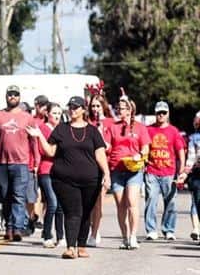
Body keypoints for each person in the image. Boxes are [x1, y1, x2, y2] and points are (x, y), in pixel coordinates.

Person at [27, 96, 111, 260]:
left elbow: (100, 154)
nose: (72, 109)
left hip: (91, 180)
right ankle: (71, 247)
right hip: (65, 180)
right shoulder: (61, 129)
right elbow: (50, 152)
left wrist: (106, 174)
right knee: (73, 212)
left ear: (83, 110)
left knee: (85, 213)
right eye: (71, 107)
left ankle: (81, 246)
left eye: (76, 107)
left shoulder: (92, 131)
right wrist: (39, 136)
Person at [0, 84, 38, 241]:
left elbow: (34, 140)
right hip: (2, 162)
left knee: (19, 196)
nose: (12, 97)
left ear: (19, 97)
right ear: (6, 96)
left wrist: (35, 161)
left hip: (21, 163)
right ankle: (8, 226)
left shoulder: (27, 117)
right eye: (10, 94)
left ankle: (18, 228)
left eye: (15, 94)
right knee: (5, 195)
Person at [107, 96, 151, 250]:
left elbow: (146, 147)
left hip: (134, 169)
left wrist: (140, 154)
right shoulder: (113, 127)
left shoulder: (140, 127)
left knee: (132, 202)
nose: (120, 111)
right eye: (119, 108)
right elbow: (107, 145)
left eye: (123, 108)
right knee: (121, 205)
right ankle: (125, 236)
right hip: (116, 169)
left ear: (131, 109)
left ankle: (133, 236)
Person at [144, 101, 185, 241]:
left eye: (163, 113)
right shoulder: (148, 129)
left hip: (169, 172)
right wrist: (143, 162)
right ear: (155, 114)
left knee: (171, 201)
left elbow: (180, 151)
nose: (161, 115)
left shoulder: (173, 131)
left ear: (168, 114)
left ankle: (169, 229)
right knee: (151, 200)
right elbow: (143, 147)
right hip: (152, 171)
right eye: (158, 113)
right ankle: (151, 229)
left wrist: (182, 171)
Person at [86, 91, 113, 246]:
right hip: (88, 165)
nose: (95, 109)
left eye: (98, 106)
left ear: (103, 107)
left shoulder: (109, 123)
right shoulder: (87, 122)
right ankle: (92, 228)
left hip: (103, 165)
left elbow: (109, 145)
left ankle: (95, 233)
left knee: (98, 202)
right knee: (88, 203)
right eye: (93, 106)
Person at [36, 102, 65, 248]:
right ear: (47, 114)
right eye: (54, 113)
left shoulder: (62, 129)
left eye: (59, 113)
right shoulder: (42, 129)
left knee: (60, 205)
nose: (57, 116)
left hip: (60, 171)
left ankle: (61, 237)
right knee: (52, 202)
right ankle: (47, 235)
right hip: (46, 170)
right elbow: (42, 150)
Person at [186, 111, 200, 241]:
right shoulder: (194, 138)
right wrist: (185, 172)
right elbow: (191, 157)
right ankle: (196, 228)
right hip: (197, 174)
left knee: (196, 202)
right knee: (196, 201)